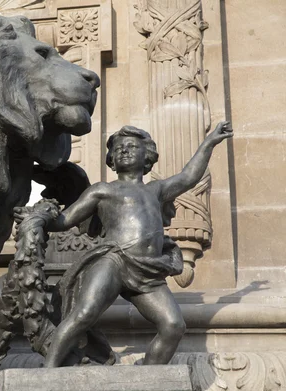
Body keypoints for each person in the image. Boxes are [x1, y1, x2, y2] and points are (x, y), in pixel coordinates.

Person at [19, 121, 233, 367]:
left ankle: (149, 378)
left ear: (147, 157)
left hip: (147, 269)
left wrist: (209, 142)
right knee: (84, 313)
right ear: (111, 159)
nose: (124, 150)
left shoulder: (157, 190)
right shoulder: (103, 191)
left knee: (173, 325)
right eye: (118, 147)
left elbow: (189, 176)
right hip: (113, 260)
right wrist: (39, 218)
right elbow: (66, 219)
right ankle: (48, 372)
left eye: (131, 146)